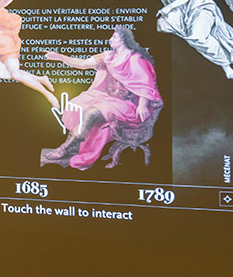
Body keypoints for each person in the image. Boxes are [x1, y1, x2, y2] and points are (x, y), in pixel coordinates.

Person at [41, 26, 162, 170]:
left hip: (126, 105)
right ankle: (74, 144)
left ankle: (64, 148)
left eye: (114, 37)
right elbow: (83, 64)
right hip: (106, 98)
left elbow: (145, 83)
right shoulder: (108, 56)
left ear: (124, 39)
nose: (110, 39)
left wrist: (142, 105)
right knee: (77, 106)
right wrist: (60, 57)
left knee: (92, 112)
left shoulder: (135, 59)